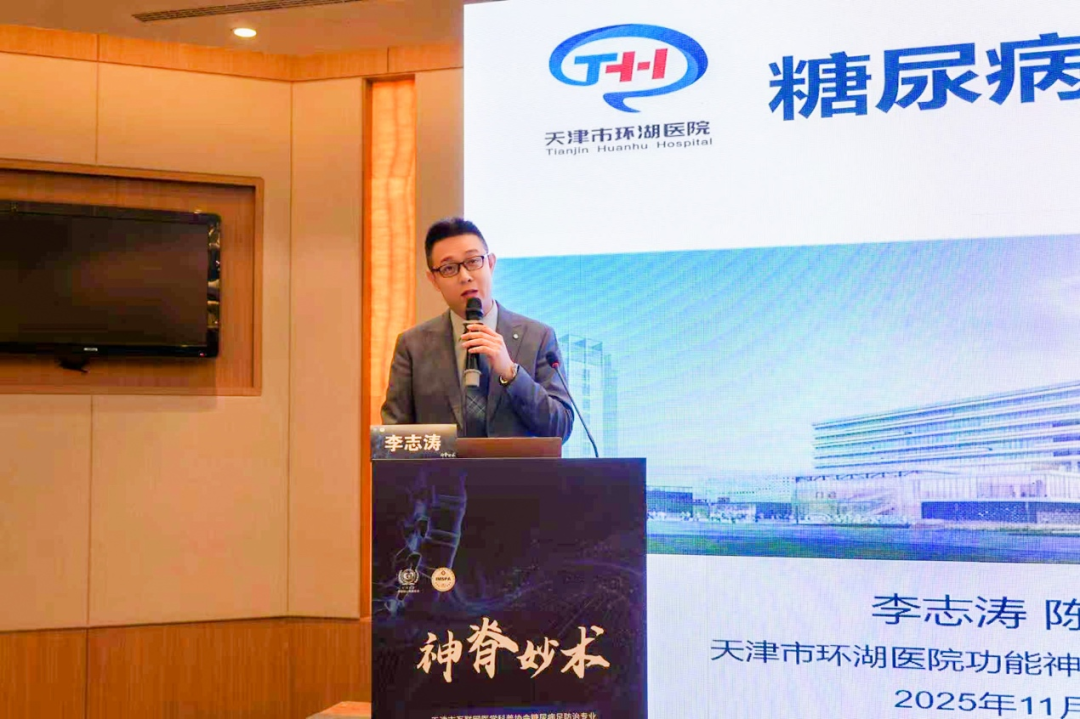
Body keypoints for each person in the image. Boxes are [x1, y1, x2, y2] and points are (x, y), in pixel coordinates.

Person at [380, 218, 574, 441]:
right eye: (449, 268)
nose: (465, 276)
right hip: (441, 466)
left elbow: (561, 427)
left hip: (517, 466)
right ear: (433, 280)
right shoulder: (412, 346)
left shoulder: (538, 337)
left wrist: (511, 374)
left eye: (473, 261)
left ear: (490, 264)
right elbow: (393, 439)